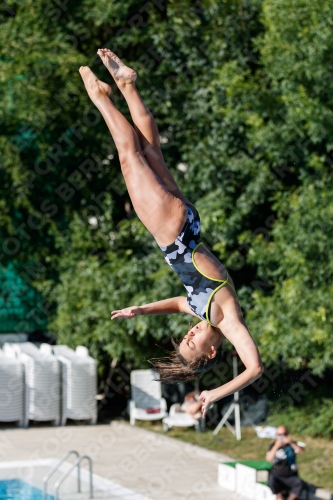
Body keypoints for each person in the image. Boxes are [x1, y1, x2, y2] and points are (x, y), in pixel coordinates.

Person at [79, 49, 263, 416]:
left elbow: (179, 304)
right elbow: (255, 368)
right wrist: (215, 393)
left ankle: (127, 86)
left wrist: (141, 310)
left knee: (149, 151)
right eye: (193, 343)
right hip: (172, 232)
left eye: (185, 337)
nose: (190, 334)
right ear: (213, 350)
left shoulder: (202, 312)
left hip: (187, 225)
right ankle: (101, 98)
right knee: (129, 158)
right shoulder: (228, 321)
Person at [266, 426, 306, 500]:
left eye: (284, 434)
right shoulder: (273, 445)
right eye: (279, 434)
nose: (282, 436)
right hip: (277, 475)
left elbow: (302, 451)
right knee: (272, 482)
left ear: (287, 434)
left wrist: (291, 443)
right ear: (276, 435)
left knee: (299, 483)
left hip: (291, 475)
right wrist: (276, 446)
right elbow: (268, 459)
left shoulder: (292, 444)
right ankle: (280, 498)